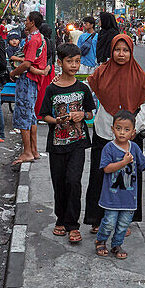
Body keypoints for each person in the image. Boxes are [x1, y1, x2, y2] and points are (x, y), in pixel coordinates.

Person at [84, 33, 145, 232]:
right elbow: (87, 90)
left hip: (131, 138)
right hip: (104, 133)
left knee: (129, 180)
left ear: (131, 52)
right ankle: (96, 219)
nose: (121, 54)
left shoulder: (139, 75)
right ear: (111, 51)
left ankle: (125, 220)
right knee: (99, 177)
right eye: (117, 50)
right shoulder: (102, 71)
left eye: (125, 50)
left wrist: (134, 129)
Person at [39, 44, 95, 243]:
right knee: (59, 182)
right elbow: (44, 115)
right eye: (69, 61)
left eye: (77, 61)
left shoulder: (82, 88)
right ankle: (60, 219)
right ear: (60, 63)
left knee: (73, 181)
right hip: (56, 144)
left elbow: (90, 112)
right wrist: (57, 121)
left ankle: (73, 224)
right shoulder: (52, 89)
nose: (74, 65)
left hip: (78, 142)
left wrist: (83, 115)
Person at [95, 110, 145, 260]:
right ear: (112, 129)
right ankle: (101, 240)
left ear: (133, 132)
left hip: (129, 197)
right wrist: (123, 163)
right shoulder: (109, 148)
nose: (122, 132)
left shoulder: (134, 148)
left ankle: (117, 244)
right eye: (118, 128)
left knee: (124, 224)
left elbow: (143, 163)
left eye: (126, 129)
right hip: (111, 196)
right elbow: (106, 168)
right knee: (109, 222)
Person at [9, 11, 48, 165]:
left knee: (24, 114)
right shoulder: (40, 37)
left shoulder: (32, 39)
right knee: (30, 115)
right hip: (34, 79)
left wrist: (13, 72)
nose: (24, 22)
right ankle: (34, 150)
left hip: (27, 79)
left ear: (32, 22)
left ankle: (27, 152)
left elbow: (27, 63)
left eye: (26, 20)